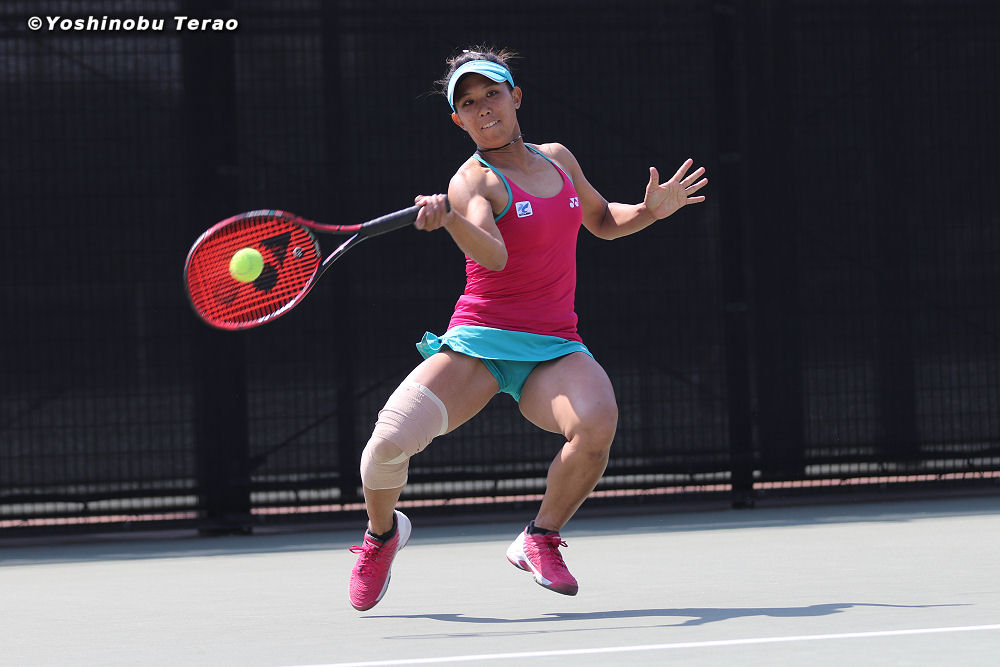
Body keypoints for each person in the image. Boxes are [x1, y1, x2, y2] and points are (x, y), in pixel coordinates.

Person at [348, 47, 707, 611]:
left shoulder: (559, 159)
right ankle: (382, 535)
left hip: (553, 347)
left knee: (596, 424)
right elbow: (493, 255)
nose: (483, 108)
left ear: (515, 97)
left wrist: (649, 211)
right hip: (479, 344)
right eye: (469, 103)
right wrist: (451, 221)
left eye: (492, 93)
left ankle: (540, 537)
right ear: (459, 121)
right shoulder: (471, 182)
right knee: (384, 448)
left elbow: (601, 220)